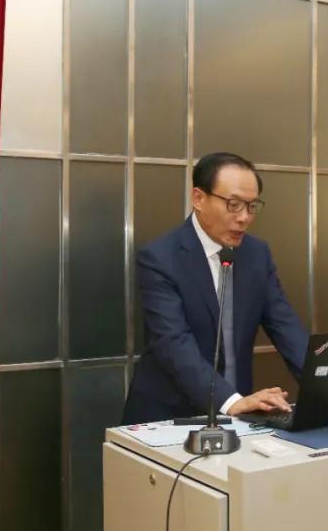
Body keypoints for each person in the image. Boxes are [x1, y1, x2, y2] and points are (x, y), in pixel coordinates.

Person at [121, 151, 305, 425]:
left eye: (252, 206)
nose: (244, 217)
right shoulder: (160, 258)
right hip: (169, 415)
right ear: (198, 198)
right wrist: (230, 401)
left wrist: (326, 384)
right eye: (233, 204)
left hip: (238, 414)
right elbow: (173, 342)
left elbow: (285, 325)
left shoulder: (257, 254)